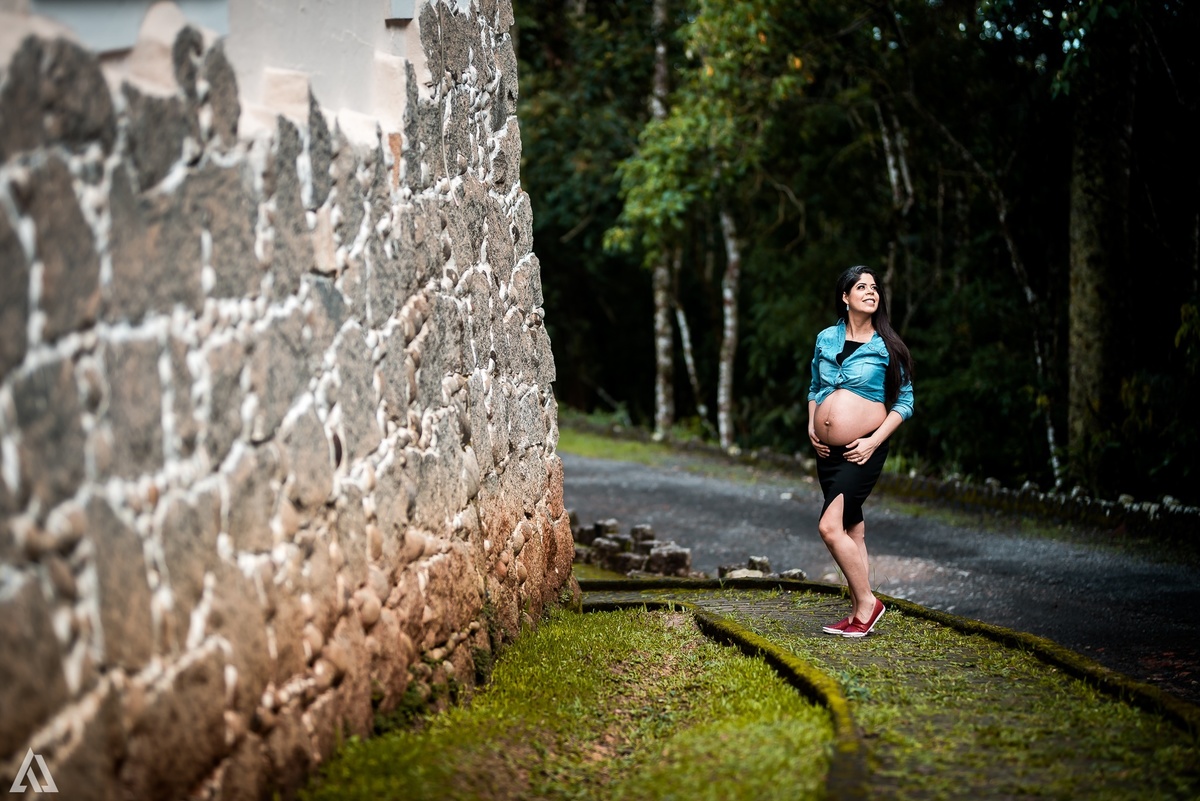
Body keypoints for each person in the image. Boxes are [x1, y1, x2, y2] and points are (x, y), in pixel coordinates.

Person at [807, 265, 914, 638]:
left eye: (874, 287)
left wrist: (873, 441)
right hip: (827, 454)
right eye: (861, 287)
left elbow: (905, 402)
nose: (871, 292)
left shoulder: (888, 346)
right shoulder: (825, 339)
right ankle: (857, 616)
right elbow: (814, 386)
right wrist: (812, 424)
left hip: (863, 449)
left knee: (829, 526)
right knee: (853, 527)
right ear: (845, 296)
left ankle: (869, 603)